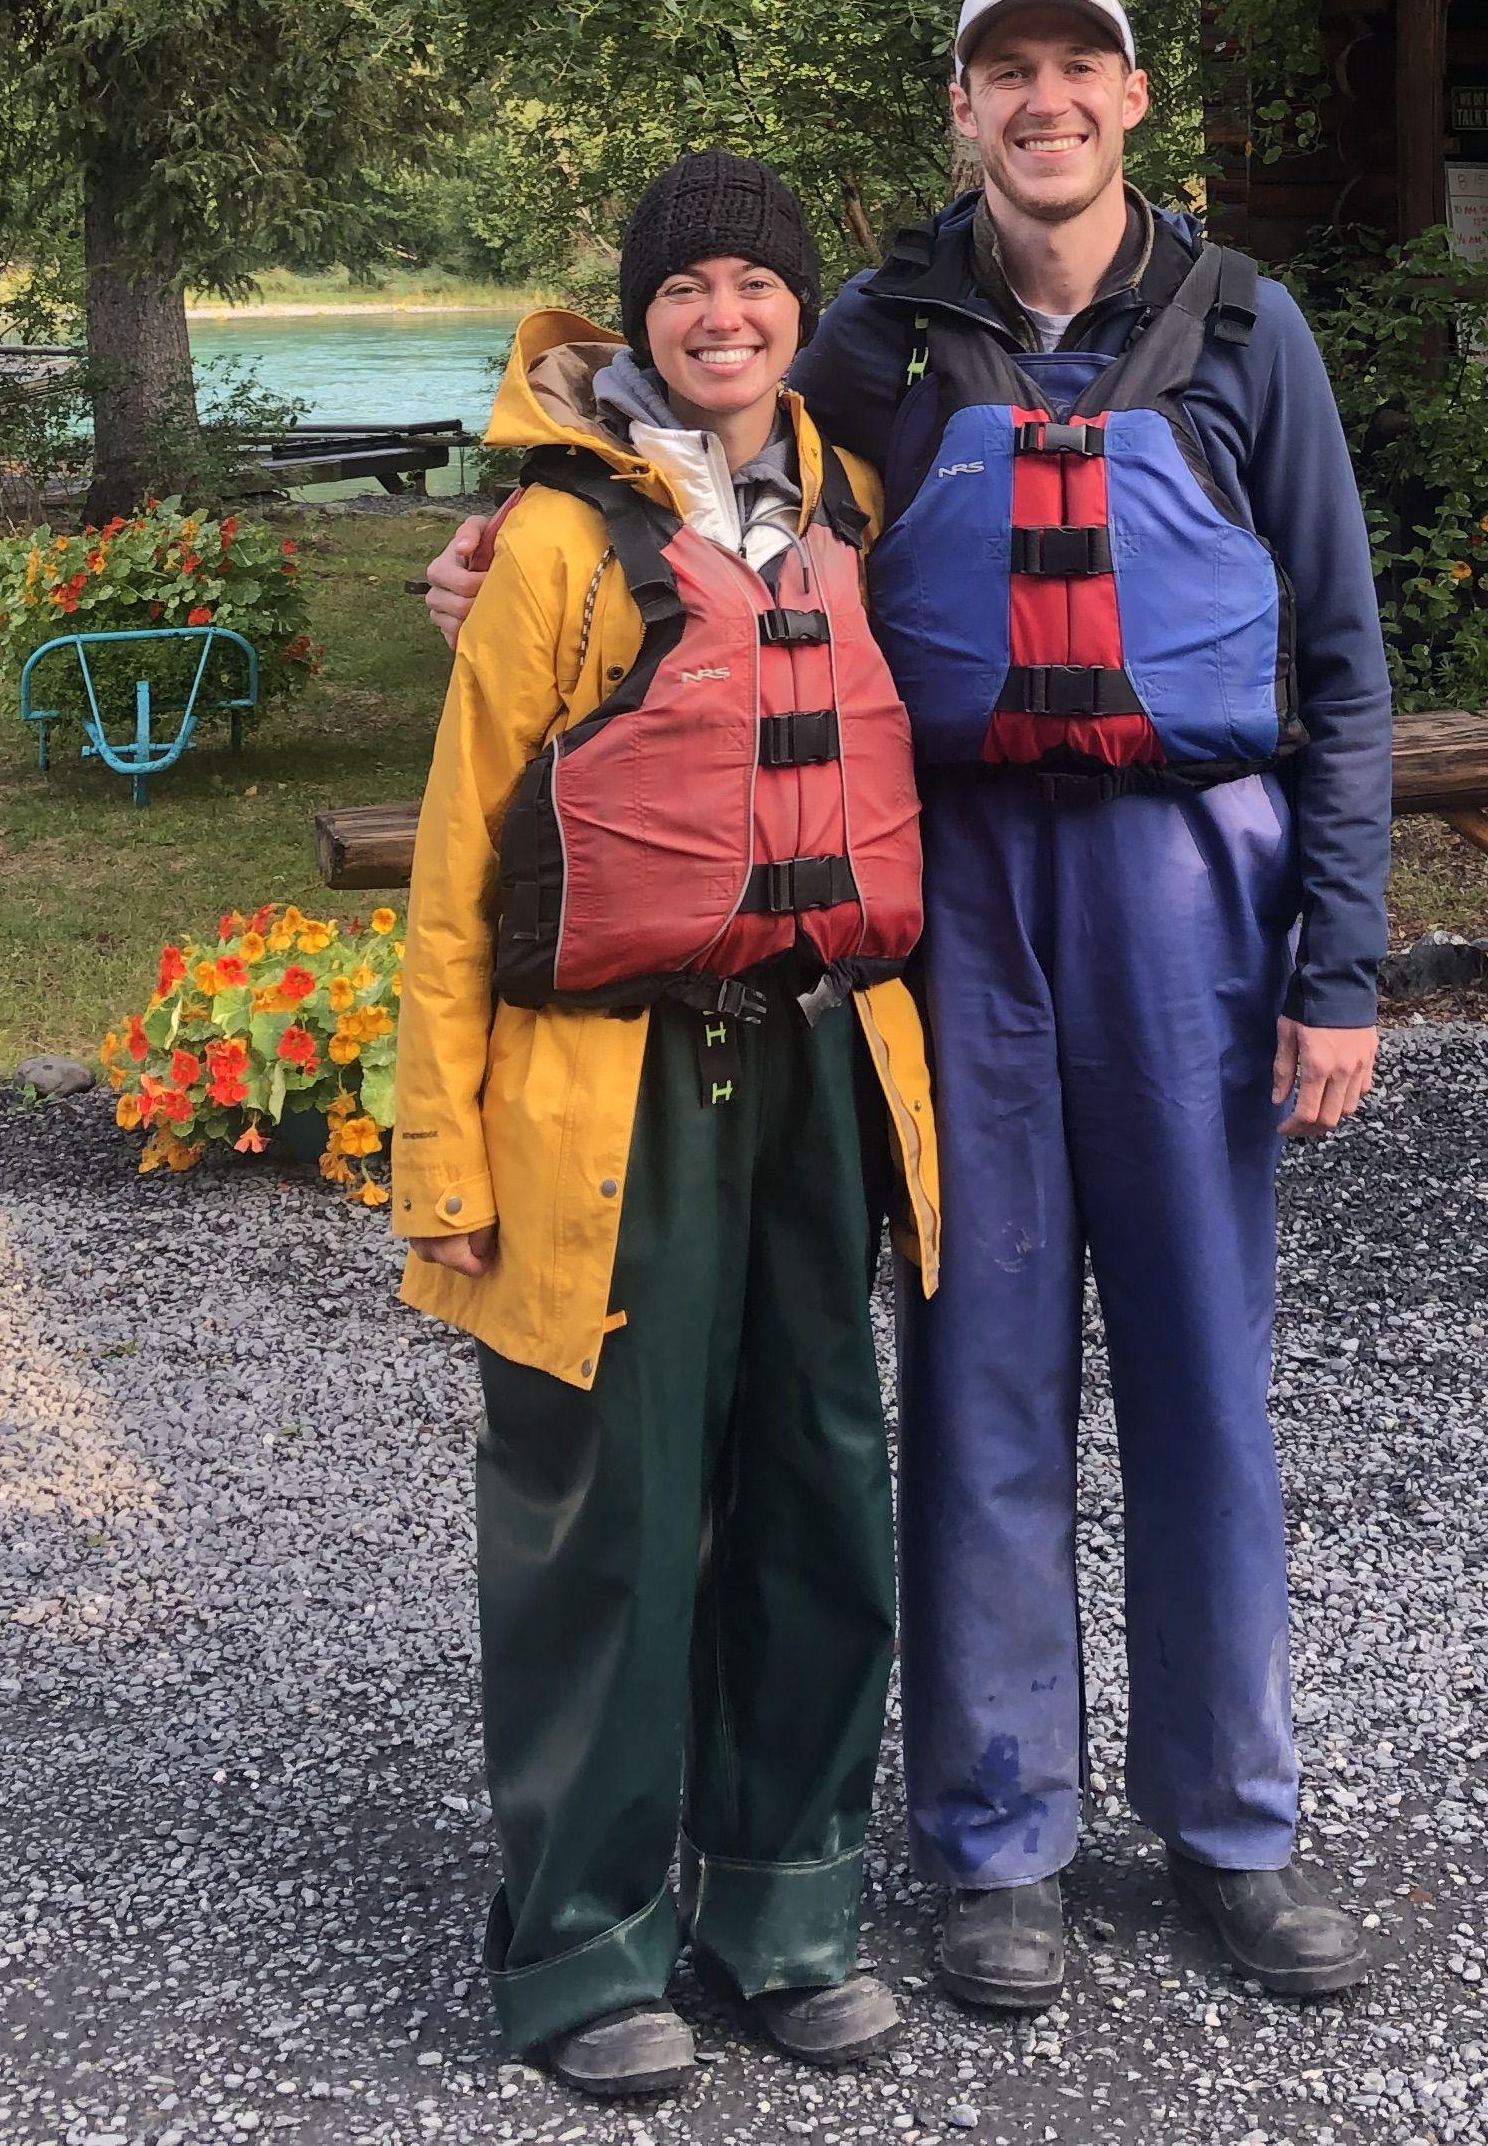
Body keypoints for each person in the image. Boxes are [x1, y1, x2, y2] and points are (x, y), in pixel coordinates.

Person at [426, 0, 1391, 2012]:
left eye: (1076, 69)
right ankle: (994, 1837)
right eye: (1004, 74)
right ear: (961, 110)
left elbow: (1343, 657)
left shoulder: (1251, 331)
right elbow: (704, 469)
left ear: (1132, 97)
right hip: (956, 893)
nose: (1044, 104)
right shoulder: (876, 333)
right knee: (977, 1364)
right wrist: (503, 537)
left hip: (1190, 885)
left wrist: (1343, 959)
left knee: (1205, 1371)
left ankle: (1233, 1824)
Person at [392, 150, 944, 2104]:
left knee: (819, 1489)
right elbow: (458, 871)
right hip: (609, 1086)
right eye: (687, 285)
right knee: (607, 1520)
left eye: (757, 283)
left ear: (801, 309)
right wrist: (441, 1160)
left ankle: (787, 1907)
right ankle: (585, 1947)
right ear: (638, 317)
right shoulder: (554, 542)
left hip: (815, 1069)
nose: (725, 314)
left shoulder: (852, 501)